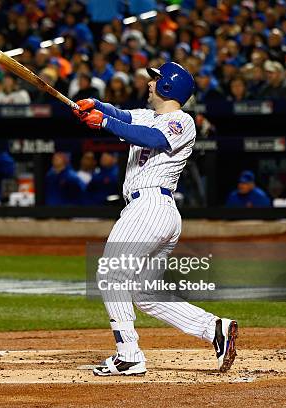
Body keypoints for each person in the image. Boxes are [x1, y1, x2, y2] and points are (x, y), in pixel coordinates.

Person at [72, 62, 237, 376]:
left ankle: (128, 355)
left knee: (111, 275)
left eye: (156, 79)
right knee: (145, 293)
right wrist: (96, 106)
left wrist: (103, 121)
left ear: (168, 87)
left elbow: (149, 138)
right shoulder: (151, 116)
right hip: (153, 212)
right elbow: (125, 117)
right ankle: (214, 329)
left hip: (151, 207)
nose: (150, 82)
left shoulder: (182, 121)